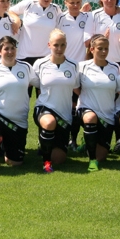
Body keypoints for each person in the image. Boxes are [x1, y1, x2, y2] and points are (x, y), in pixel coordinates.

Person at [0, 36, 37, 172]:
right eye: (6, 49)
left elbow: (40, 84)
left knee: (14, 162)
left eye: (12, 48)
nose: (10, 52)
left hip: (18, 121)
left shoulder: (26, 67)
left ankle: (3, 143)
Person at [32, 29, 80, 173]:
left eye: (62, 45)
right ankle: (46, 162)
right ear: (49, 45)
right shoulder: (39, 64)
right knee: (49, 122)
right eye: (56, 45)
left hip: (64, 115)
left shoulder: (74, 65)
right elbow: (33, 85)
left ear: (66, 45)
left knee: (59, 159)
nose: (59, 49)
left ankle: (45, 144)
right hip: (44, 108)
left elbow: (77, 89)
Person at [76, 35, 120, 171]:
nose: (103, 52)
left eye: (106, 49)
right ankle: (92, 161)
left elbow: (118, 91)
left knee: (102, 155)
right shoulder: (82, 66)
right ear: (92, 49)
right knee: (90, 118)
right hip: (87, 110)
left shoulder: (115, 67)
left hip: (107, 115)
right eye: (100, 48)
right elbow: (76, 87)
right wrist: (87, 97)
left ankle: (88, 142)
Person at [10, 0, 62, 88]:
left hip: (46, 57)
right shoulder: (28, 4)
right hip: (24, 56)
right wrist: (17, 19)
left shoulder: (56, 9)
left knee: (44, 92)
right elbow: (9, 11)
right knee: (24, 93)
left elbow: (66, 22)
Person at [56, 0, 89, 150]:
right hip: (66, 68)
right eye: (72, 2)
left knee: (81, 105)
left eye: (78, 2)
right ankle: (68, 139)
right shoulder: (60, 18)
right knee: (69, 105)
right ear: (65, 3)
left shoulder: (88, 17)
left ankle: (76, 139)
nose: (75, 5)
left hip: (83, 69)